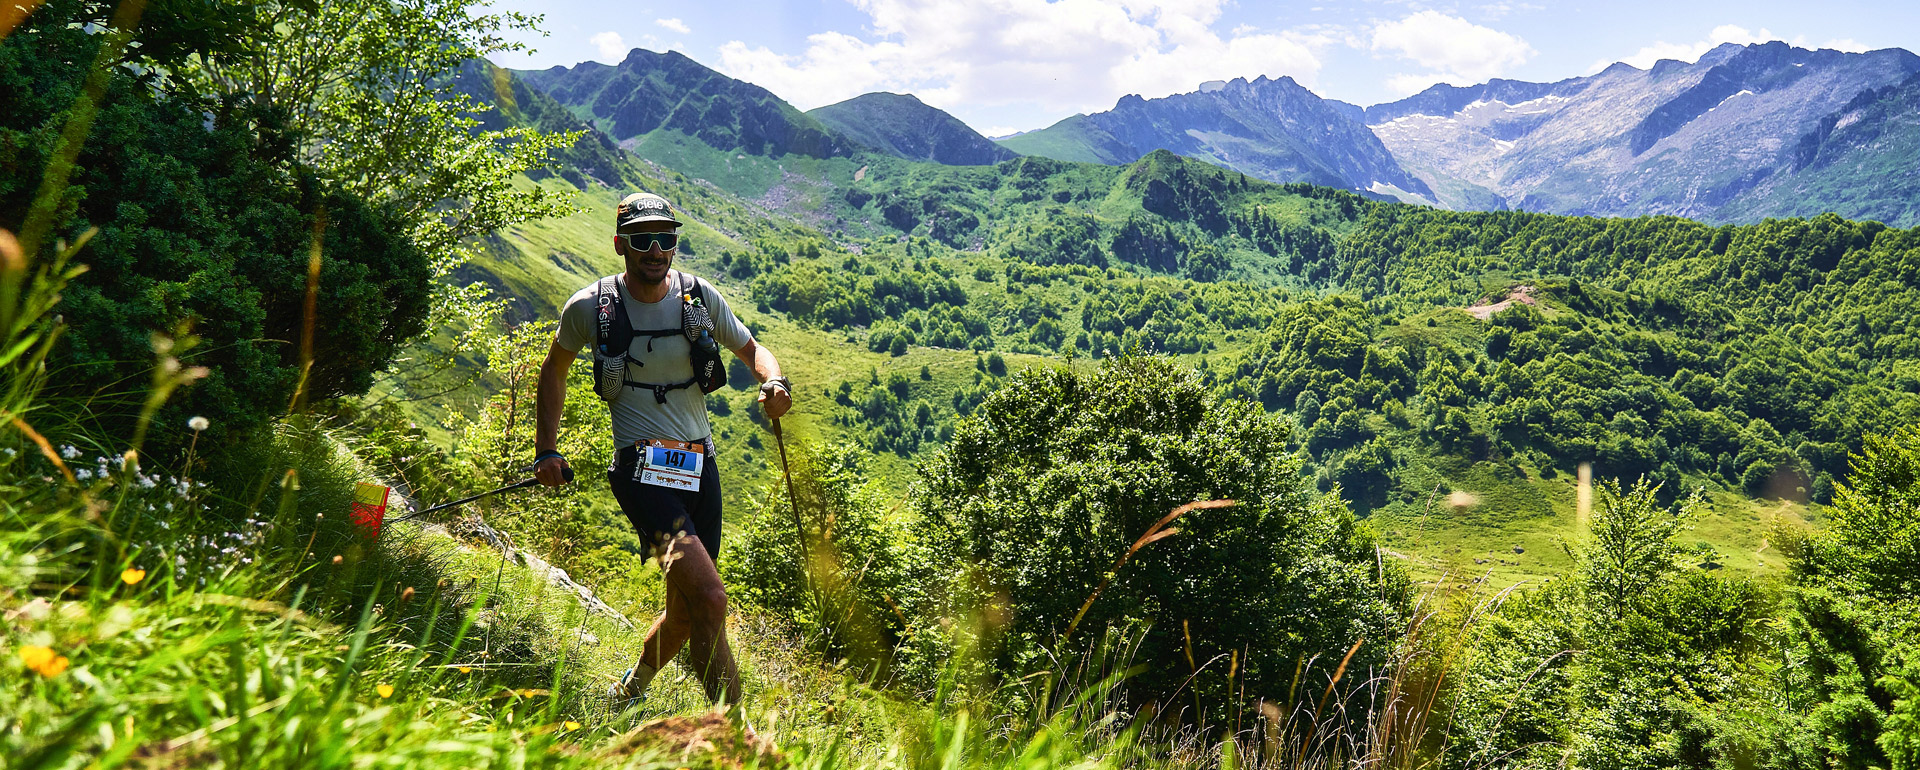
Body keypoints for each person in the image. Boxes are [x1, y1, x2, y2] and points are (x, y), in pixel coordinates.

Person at [532, 191, 790, 707]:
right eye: (642, 239)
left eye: (665, 238)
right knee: (713, 599)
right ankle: (734, 736)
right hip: (640, 470)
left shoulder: (698, 296)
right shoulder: (590, 307)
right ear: (620, 244)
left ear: (674, 243)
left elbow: (752, 348)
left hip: (702, 467)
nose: (655, 249)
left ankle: (626, 693)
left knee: (688, 613)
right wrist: (546, 451)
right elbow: (554, 368)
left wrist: (774, 382)